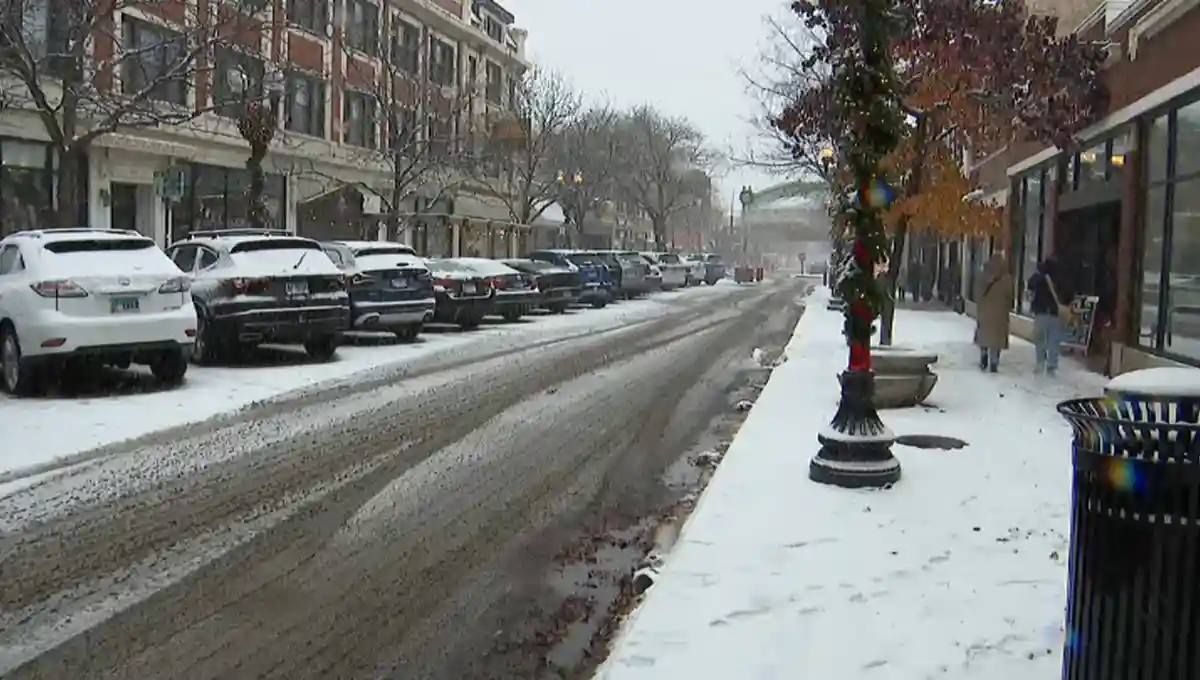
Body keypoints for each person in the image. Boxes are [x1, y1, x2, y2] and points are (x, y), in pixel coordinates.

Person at [1027, 257, 1069, 376]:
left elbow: (1030, 285)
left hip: (1041, 312)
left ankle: (1040, 362)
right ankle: (1051, 366)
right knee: (1054, 341)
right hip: (1056, 313)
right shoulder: (1061, 278)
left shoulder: (1038, 278)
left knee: (1040, 339)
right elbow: (1068, 293)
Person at [975, 253, 1013, 372]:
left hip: (985, 311)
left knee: (984, 336)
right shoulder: (1006, 278)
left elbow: (977, 294)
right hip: (1000, 313)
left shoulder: (983, 276)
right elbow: (1010, 295)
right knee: (997, 339)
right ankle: (994, 362)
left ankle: (984, 354)